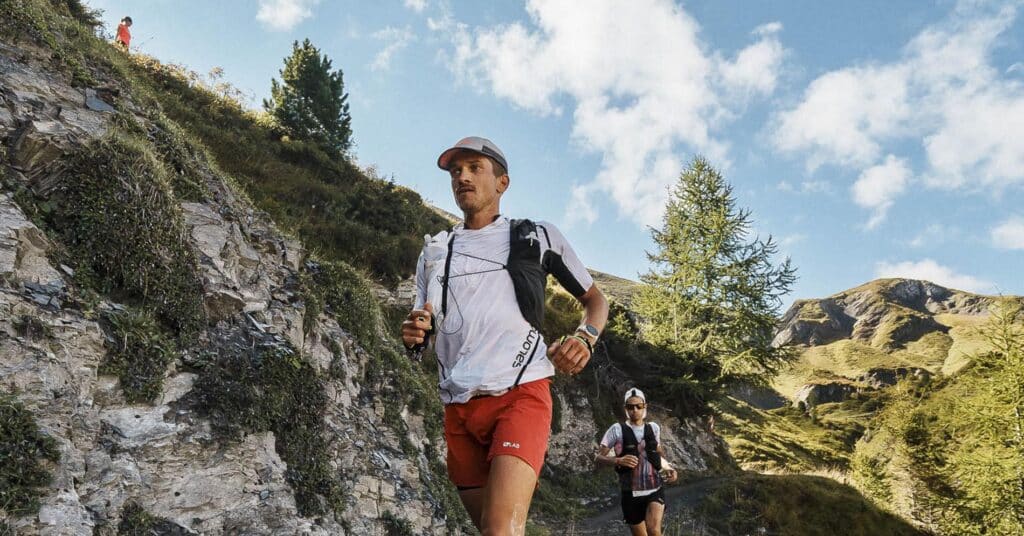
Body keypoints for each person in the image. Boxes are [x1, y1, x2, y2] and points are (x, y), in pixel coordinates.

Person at [402, 136, 609, 535]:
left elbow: (596, 301)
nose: (462, 177)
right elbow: (420, 330)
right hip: (458, 407)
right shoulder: (434, 253)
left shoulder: (538, 236)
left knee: (500, 530)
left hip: (521, 395)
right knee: (490, 530)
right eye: (455, 171)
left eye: (474, 168)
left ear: (502, 182)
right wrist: (413, 334)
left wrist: (585, 338)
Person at [596, 388, 679, 536]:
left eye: (638, 406)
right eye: (630, 406)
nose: (635, 410)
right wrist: (618, 460)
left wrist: (669, 468)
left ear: (645, 406)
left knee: (653, 530)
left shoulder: (653, 428)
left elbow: (657, 454)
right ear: (625, 408)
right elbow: (598, 458)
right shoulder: (617, 430)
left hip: (655, 488)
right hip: (630, 492)